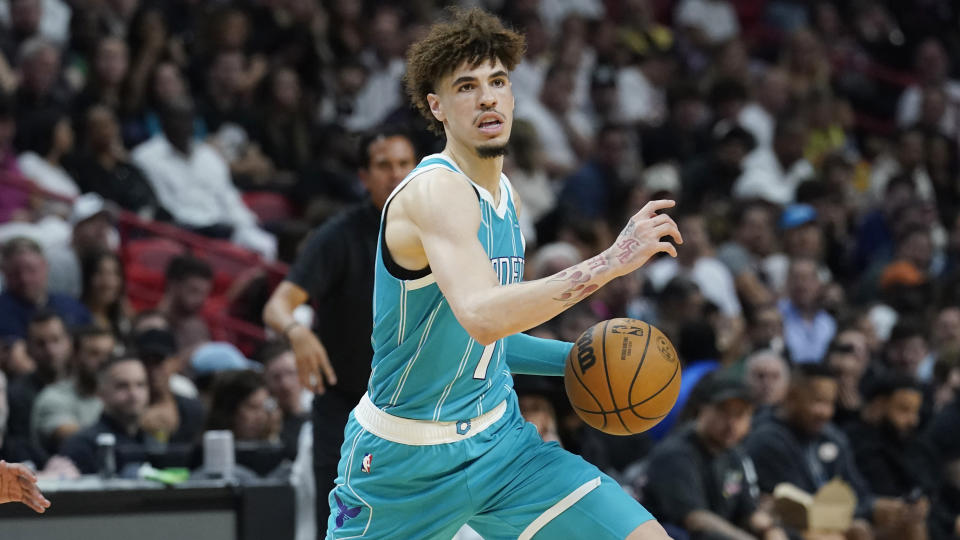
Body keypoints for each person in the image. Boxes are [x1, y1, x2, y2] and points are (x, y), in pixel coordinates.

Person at [321, 9, 681, 539]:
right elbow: (482, 317)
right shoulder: (435, 191)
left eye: (497, 82)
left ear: (513, 96)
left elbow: (486, 342)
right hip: (406, 464)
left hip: (503, 444)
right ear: (436, 107)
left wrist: (582, 362)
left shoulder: (504, 194)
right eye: (466, 86)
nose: (487, 96)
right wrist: (610, 262)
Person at [262, 125, 416, 531]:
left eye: (404, 164)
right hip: (345, 408)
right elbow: (278, 306)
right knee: (341, 526)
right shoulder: (339, 235)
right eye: (384, 165)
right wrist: (297, 332)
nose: (396, 174)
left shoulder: (437, 236)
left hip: (413, 408)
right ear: (363, 177)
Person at [643, 375, 788, 540]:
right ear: (701, 410)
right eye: (724, 412)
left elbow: (748, 511)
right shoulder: (675, 453)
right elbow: (695, 519)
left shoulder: (734, 455)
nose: (731, 423)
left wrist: (771, 530)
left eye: (740, 415)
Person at [61, 356, 157, 475]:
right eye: (122, 386)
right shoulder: (82, 445)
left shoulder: (154, 440)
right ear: (101, 393)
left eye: (140, 384)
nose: (134, 394)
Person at [31, 325, 114, 453]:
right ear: (75, 356)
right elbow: (77, 439)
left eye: (109, 354)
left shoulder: (117, 396)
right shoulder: (54, 397)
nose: (103, 361)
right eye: (94, 353)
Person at [0, 237, 92, 341]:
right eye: (15, 273)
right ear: (4, 273)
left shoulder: (71, 306)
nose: (24, 279)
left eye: (31, 270)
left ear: (45, 266)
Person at [156, 255, 214, 352]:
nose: (201, 300)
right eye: (194, 291)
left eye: (204, 294)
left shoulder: (199, 327)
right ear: (173, 285)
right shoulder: (152, 324)